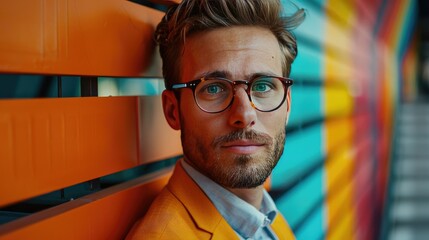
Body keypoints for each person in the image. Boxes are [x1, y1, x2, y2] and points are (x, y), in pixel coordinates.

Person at [127, 0, 304, 239]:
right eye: (213, 89)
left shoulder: (266, 218)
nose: (244, 115)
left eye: (262, 86)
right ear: (173, 111)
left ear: (287, 104)